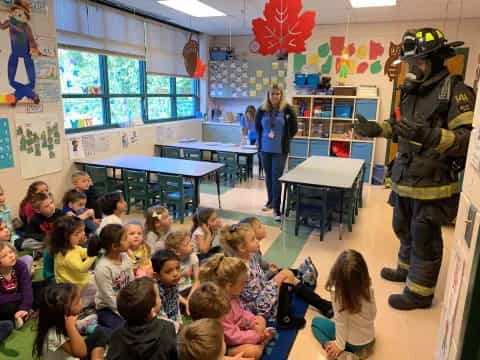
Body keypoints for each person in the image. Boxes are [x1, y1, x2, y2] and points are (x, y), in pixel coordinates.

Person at [354, 28, 475, 310]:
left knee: (424, 235)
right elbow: (398, 127)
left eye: (418, 62)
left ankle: (420, 293)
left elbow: (468, 141)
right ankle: (406, 271)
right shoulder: (411, 92)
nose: (413, 68)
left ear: (435, 60)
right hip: (405, 178)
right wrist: (375, 129)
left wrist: (431, 136)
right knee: (403, 227)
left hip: (433, 184)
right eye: (411, 63)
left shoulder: (456, 91)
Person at [220, 224, 332, 328]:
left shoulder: (251, 256)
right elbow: (254, 296)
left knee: (286, 274)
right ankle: (284, 318)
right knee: (286, 274)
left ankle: (323, 305)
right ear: (241, 247)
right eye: (253, 240)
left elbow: (259, 281)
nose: (257, 242)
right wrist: (275, 280)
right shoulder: (241, 269)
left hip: (262, 295)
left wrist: (269, 274)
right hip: (256, 307)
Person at [199, 256, 274, 359]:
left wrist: (254, 324)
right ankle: (261, 344)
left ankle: (260, 339)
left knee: (260, 319)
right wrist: (256, 335)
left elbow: (243, 314)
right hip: (226, 344)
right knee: (253, 352)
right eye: (243, 283)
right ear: (229, 286)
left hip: (239, 332)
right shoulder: (218, 307)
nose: (245, 286)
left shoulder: (233, 297)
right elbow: (232, 337)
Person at [311, 250, 376, 360]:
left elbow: (341, 322)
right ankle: (358, 352)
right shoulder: (367, 288)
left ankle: (338, 353)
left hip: (352, 343)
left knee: (315, 323)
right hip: (369, 339)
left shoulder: (338, 293)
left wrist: (339, 346)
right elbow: (373, 314)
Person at [106, 277, 178, 360]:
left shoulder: (117, 337)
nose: (161, 298)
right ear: (152, 310)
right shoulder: (167, 329)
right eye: (158, 296)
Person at [255, 84, 298, 221]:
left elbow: (294, 128)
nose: (275, 96)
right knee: (268, 176)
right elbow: (257, 128)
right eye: (272, 94)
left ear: (281, 95)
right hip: (264, 149)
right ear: (268, 95)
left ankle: (277, 210)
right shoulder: (261, 110)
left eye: (277, 94)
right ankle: (270, 201)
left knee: (276, 178)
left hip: (280, 150)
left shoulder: (287, 109)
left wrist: (285, 138)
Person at [33, 283, 108, 360]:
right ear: (63, 311)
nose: (81, 303)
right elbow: (81, 353)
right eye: (77, 302)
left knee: (100, 333)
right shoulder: (53, 333)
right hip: (77, 354)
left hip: (74, 353)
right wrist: (71, 327)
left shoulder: (60, 322)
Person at [91, 224, 134, 333]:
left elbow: (132, 283)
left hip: (126, 303)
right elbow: (109, 297)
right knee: (124, 331)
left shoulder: (125, 258)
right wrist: (127, 313)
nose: (129, 239)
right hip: (107, 308)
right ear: (115, 246)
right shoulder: (103, 268)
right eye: (125, 238)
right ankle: (92, 327)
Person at [50, 217, 97, 307]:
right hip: (74, 289)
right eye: (77, 233)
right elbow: (82, 268)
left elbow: (84, 252)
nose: (82, 234)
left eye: (82, 231)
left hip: (80, 281)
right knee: (95, 296)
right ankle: (78, 309)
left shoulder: (73, 247)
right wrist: (94, 254)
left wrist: (94, 248)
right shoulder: (67, 255)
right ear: (65, 238)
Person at [0, 241, 33, 335]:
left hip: (17, 299)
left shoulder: (20, 265)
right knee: (8, 307)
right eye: (4, 256)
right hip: (5, 304)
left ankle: (22, 313)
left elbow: (27, 288)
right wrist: (21, 296)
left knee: (42, 288)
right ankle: (22, 315)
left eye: (11, 252)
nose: (11, 256)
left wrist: (24, 307)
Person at [165, 231, 200, 314]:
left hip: (190, 289)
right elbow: (169, 288)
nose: (191, 244)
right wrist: (186, 302)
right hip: (175, 292)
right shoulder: (168, 262)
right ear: (177, 252)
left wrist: (190, 298)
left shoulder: (193, 256)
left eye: (190, 241)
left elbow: (197, 281)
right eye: (187, 244)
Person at [151, 249, 183, 331]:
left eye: (177, 268)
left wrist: (179, 321)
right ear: (156, 276)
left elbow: (176, 304)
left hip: (172, 320)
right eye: (169, 271)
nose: (176, 274)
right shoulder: (156, 291)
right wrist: (177, 327)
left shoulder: (173, 283)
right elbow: (160, 317)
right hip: (162, 324)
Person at [241, 105, 263, 179]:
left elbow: (260, 130)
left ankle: (261, 173)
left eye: (251, 116)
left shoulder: (257, 118)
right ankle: (249, 173)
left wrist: (258, 140)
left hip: (258, 138)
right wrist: (243, 138)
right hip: (250, 138)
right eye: (248, 116)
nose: (249, 118)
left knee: (260, 155)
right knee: (248, 155)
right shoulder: (243, 118)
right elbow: (243, 129)